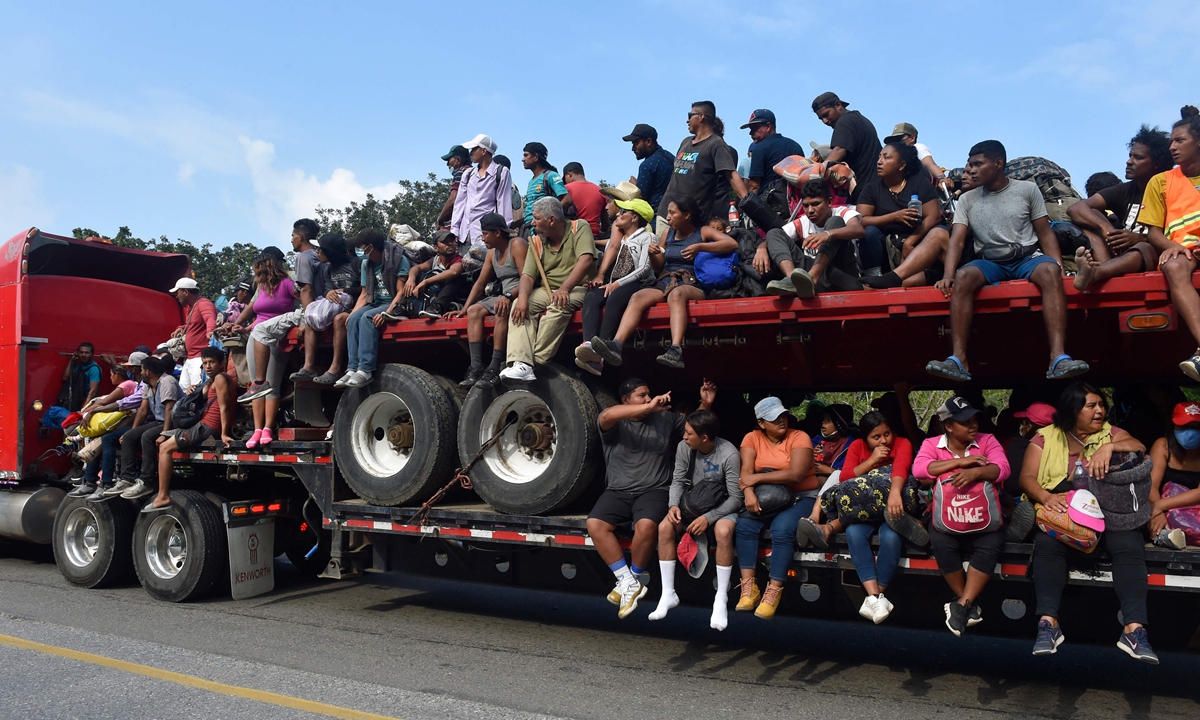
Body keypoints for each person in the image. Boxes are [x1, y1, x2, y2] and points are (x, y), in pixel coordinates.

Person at [926, 140, 1089, 383]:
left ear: (998, 163)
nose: (970, 170)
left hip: (1026, 257)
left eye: (978, 164)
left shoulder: (1026, 190)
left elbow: (1044, 233)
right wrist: (948, 274)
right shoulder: (968, 199)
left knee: (1049, 271)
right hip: (990, 261)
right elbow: (957, 240)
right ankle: (958, 360)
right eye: (970, 164)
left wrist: (1060, 268)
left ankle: (1058, 357)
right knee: (964, 276)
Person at [1017, 383, 1154, 662]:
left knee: (1129, 544)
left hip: (1105, 512)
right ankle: (1048, 625)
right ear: (1072, 410)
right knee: (1046, 543)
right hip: (1063, 509)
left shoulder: (1110, 434)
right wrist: (1045, 497)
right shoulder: (1044, 438)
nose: (1099, 411)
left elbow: (1138, 447)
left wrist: (1111, 447)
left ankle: (1134, 630)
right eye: (1091, 406)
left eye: (1101, 405)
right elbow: (1027, 478)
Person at [586, 378, 716, 618]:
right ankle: (628, 581)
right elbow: (606, 415)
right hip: (617, 490)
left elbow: (693, 427)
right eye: (642, 396)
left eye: (649, 394)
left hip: (654, 490)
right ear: (626, 400)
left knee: (645, 526)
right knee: (595, 524)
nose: (648, 399)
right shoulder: (615, 421)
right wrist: (649, 407)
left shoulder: (664, 418)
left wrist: (705, 405)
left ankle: (631, 579)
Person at [799, 411, 921, 624]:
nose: (884, 440)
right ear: (865, 438)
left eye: (887, 434)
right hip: (863, 510)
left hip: (892, 508)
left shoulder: (902, 444)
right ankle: (876, 598)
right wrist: (873, 459)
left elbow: (901, 468)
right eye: (876, 437)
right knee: (854, 533)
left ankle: (873, 597)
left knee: (891, 537)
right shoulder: (857, 447)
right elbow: (845, 476)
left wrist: (894, 493)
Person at [591, 196, 737, 370]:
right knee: (637, 297)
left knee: (676, 295)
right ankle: (616, 345)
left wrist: (700, 247)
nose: (667, 217)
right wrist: (653, 254)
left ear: (687, 215)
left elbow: (732, 243)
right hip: (666, 279)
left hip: (691, 282)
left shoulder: (703, 232)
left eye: (672, 213)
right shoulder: (668, 233)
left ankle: (675, 349)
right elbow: (659, 266)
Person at [913, 397, 1011, 637]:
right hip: (945, 518)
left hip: (984, 517)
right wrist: (961, 462)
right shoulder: (932, 444)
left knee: (990, 544)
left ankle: (961, 604)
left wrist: (976, 471)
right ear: (948, 426)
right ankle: (967, 603)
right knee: (941, 543)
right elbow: (919, 470)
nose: (973, 426)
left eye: (974, 419)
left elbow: (1003, 469)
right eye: (965, 422)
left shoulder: (987, 440)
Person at [650, 409, 743, 630]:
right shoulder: (685, 448)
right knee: (664, 527)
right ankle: (668, 593)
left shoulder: (729, 454)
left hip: (720, 506)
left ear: (704, 437)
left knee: (723, 532)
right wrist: (673, 504)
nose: (684, 436)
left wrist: (709, 518)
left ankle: (720, 598)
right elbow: (678, 481)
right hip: (692, 503)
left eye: (689, 433)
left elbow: (736, 497)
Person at [1130, 108, 1200, 379]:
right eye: (1171, 141)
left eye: (1180, 140)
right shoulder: (1161, 181)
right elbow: (1153, 232)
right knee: (1172, 267)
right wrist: (1171, 245)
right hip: (1182, 247)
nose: (1172, 146)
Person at [733, 397, 817, 619]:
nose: (781, 421)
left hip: (802, 496)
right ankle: (748, 589)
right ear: (761, 423)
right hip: (768, 496)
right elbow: (745, 473)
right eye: (774, 418)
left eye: (783, 416)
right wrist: (749, 493)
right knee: (744, 524)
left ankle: (773, 591)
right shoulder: (752, 438)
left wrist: (755, 480)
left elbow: (796, 474)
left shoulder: (799, 437)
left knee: (782, 529)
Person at [498, 198, 595, 383]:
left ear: (551, 220)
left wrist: (565, 288)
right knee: (519, 305)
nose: (532, 222)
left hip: (577, 287)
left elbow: (586, 260)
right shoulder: (536, 240)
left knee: (559, 305)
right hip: (546, 290)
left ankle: (534, 361)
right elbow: (527, 276)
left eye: (536, 218)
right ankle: (521, 363)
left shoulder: (578, 227)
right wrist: (524, 297)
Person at [1070, 125, 1174, 291]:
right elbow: (1076, 208)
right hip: (1119, 254)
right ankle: (1102, 268)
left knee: (1143, 248)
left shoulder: (1171, 189)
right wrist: (1106, 229)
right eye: (1130, 156)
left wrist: (1141, 239)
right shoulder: (1126, 189)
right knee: (1093, 215)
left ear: (1157, 164)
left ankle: (1096, 273)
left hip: (1155, 254)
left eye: (1137, 158)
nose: (1129, 161)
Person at [574, 198, 659, 376]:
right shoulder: (620, 239)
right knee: (591, 296)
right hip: (615, 281)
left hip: (637, 283)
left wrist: (617, 283)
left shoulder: (647, 236)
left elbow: (644, 269)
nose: (618, 215)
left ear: (634, 218)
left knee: (615, 298)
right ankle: (589, 344)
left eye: (623, 212)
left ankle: (603, 350)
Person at [857, 142, 953, 288]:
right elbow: (860, 220)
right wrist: (894, 216)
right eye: (879, 157)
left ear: (901, 165)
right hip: (889, 248)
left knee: (939, 231)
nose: (879, 161)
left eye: (886, 157)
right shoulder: (872, 188)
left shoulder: (919, 182)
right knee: (869, 232)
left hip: (921, 242)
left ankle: (878, 285)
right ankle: (874, 277)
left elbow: (934, 217)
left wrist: (911, 241)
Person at [150, 346, 236, 509]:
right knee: (165, 439)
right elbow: (200, 395)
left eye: (212, 362)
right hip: (202, 424)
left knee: (165, 448)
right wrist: (193, 389)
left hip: (207, 426)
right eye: (205, 363)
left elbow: (224, 407)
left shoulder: (220, 379)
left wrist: (223, 434)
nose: (208, 366)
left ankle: (162, 495)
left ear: (221, 363)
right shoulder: (213, 381)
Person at [450, 213, 528, 388]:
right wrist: (465, 307)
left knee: (501, 309)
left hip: (521, 292)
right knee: (474, 311)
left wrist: (508, 297)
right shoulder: (492, 253)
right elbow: (480, 283)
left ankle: (494, 366)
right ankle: (476, 366)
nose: (482, 238)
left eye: (485, 234)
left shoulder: (517, 245)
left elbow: (527, 278)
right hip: (503, 295)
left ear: (498, 233)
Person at [229, 251, 296, 448]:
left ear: (266, 268)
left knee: (271, 383)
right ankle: (257, 429)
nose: (255, 276)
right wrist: (242, 326)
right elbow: (256, 311)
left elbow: (303, 296)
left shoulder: (288, 281)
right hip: (256, 335)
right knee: (256, 385)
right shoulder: (262, 287)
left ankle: (268, 427)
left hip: (276, 336)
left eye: (258, 271)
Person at [335, 228, 413, 389]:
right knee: (354, 318)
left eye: (360, 246)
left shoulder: (398, 259)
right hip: (375, 302)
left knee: (367, 318)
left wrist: (388, 313)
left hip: (392, 303)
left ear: (370, 247)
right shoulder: (366, 264)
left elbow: (401, 293)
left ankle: (366, 369)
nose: (358, 250)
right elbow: (364, 293)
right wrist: (352, 313)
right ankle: (352, 368)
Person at [760, 178, 864, 297]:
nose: (810, 211)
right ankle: (792, 282)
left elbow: (858, 230)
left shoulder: (842, 212)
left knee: (835, 221)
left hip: (841, 277)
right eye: (805, 205)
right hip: (811, 281)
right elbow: (776, 237)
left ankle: (812, 278)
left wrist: (828, 234)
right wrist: (761, 248)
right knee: (773, 232)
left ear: (829, 202)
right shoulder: (802, 222)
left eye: (815, 204)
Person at [656, 100, 750, 226]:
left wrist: (751, 206)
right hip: (666, 214)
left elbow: (732, 176)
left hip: (691, 220)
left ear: (701, 117)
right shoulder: (685, 142)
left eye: (690, 116)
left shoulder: (716, 144)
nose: (687, 120)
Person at [68, 352, 148, 498]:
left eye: (132, 368)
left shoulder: (141, 386)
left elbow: (123, 403)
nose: (129, 370)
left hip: (141, 421)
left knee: (108, 438)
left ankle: (106, 482)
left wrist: (92, 410)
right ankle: (90, 481)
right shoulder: (137, 383)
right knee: (99, 435)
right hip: (133, 419)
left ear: (136, 369)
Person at [292, 232, 362, 385]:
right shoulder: (327, 269)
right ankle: (308, 366)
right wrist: (328, 292)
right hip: (336, 305)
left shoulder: (356, 264)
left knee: (339, 319)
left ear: (330, 251)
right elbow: (327, 289)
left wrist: (345, 291)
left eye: (320, 250)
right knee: (311, 319)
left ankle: (335, 368)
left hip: (355, 306)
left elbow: (364, 289)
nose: (317, 253)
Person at [107, 355, 180, 500]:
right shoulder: (148, 385)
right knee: (129, 436)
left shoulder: (167, 382)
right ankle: (126, 479)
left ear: (147, 372)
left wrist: (164, 433)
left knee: (147, 436)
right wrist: (133, 431)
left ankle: (146, 481)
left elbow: (169, 409)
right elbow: (143, 410)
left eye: (141, 370)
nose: (140, 373)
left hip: (174, 422)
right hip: (160, 421)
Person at [450, 134, 514, 265]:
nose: (471, 153)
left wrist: (501, 233)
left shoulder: (501, 172)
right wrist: (455, 229)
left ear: (484, 151)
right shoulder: (468, 174)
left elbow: (503, 204)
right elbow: (460, 203)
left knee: (483, 272)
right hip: (465, 232)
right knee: (464, 271)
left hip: (485, 234)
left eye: (474, 149)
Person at [811, 92, 882, 204]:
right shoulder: (861, 119)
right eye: (821, 119)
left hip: (864, 193)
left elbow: (839, 150)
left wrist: (817, 174)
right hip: (877, 189)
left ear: (838, 105)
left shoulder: (845, 121)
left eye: (826, 115)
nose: (825, 121)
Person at [1149, 402, 1200, 549]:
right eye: (1184, 427)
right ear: (1173, 427)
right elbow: (1152, 484)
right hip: (1163, 510)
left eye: (1196, 427)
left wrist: (1158, 506)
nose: (1190, 433)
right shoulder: (1163, 446)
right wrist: (1157, 513)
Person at [399, 230, 467, 319]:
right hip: (435, 296)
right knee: (418, 276)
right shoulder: (435, 260)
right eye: (444, 242)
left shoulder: (459, 259)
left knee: (454, 278)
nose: (450, 244)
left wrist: (425, 282)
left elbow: (453, 272)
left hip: (455, 297)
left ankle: (437, 307)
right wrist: (411, 279)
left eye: (452, 241)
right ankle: (402, 307)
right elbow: (416, 268)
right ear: (436, 248)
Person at [167, 277, 218, 393]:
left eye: (178, 292)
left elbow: (210, 318)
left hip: (199, 358)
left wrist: (210, 332)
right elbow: (195, 323)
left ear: (186, 292)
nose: (176, 295)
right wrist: (182, 328)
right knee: (184, 392)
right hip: (190, 358)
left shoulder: (203, 304)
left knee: (197, 392)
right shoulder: (192, 306)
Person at [741, 108, 803, 196]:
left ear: (768, 127)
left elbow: (754, 186)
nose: (750, 133)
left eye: (754, 128)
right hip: (795, 204)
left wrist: (749, 207)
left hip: (768, 205)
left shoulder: (759, 148)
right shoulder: (795, 146)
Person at [623, 123, 676, 215]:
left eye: (636, 143)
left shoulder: (647, 165)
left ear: (648, 141)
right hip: (674, 212)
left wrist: (634, 187)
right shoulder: (670, 157)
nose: (633, 148)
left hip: (656, 217)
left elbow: (640, 198)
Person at [520, 142, 568, 235]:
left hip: (542, 231)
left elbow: (567, 199)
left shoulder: (551, 175)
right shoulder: (531, 181)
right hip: (529, 228)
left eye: (526, 155)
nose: (523, 159)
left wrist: (546, 218)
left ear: (535, 157)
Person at [883, 122, 949, 188]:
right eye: (893, 140)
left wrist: (941, 177)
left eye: (899, 138)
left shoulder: (918, 148)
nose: (896, 142)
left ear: (912, 138)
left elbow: (930, 164)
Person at [812, 402, 856, 483]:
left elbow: (854, 474)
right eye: (823, 419)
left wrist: (831, 471)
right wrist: (809, 456)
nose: (823, 422)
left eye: (828, 420)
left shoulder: (852, 446)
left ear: (839, 424)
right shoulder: (814, 441)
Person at [561, 162, 607, 236]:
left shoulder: (566, 190)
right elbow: (605, 223)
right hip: (593, 237)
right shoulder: (600, 191)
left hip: (572, 236)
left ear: (569, 174)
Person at [437, 145, 472, 229]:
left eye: (449, 160)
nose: (447, 164)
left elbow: (453, 200)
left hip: (458, 224)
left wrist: (440, 220)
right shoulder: (473, 172)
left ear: (458, 160)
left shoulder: (460, 172)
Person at [60, 342, 101, 411]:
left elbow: (93, 391)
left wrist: (84, 408)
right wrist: (71, 361)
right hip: (76, 399)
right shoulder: (78, 366)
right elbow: (65, 378)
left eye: (87, 353)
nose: (83, 355)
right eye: (81, 352)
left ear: (92, 354)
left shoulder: (94, 369)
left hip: (86, 400)